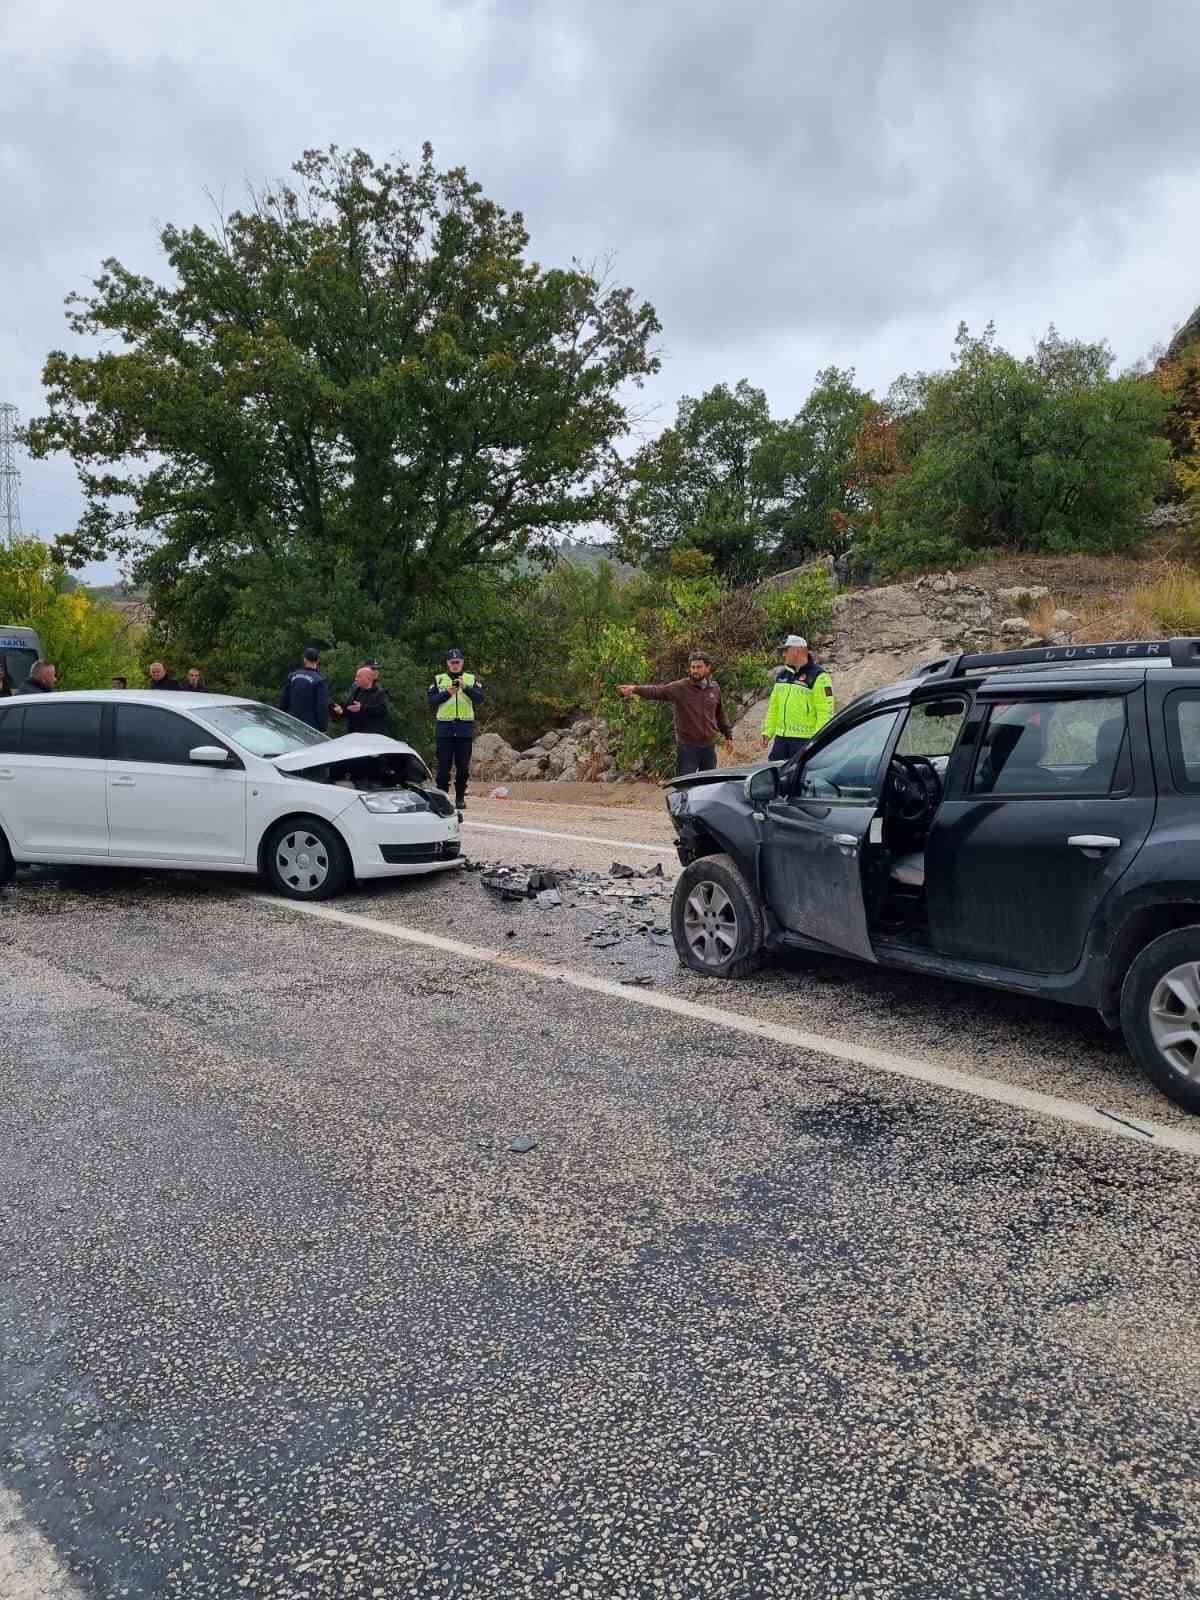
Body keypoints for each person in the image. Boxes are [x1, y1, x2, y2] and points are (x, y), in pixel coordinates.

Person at [618, 651, 735, 776]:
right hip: (688, 748)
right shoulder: (681, 687)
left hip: (709, 748)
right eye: (693, 667)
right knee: (684, 784)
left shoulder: (714, 688)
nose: (695, 670)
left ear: (708, 667)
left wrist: (728, 736)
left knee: (708, 784)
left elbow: (720, 714)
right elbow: (658, 691)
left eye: (699, 667)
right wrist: (635, 689)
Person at [760, 634, 835, 761]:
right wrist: (767, 732)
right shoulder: (782, 676)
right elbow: (774, 707)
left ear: (797, 651)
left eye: (786, 650)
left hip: (805, 741)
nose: (783, 654)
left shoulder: (819, 677)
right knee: (774, 771)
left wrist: (816, 741)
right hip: (781, 740)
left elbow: (825, 712)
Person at [428, 647, 484, 810]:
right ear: (447, 663)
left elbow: (480, 698)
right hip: (445, 728)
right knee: (443, 767)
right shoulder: (439, 679)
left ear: (462, 662)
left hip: (464, 728)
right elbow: (432, 701)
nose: (455, 665)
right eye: (452, 662)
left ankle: (460, 798)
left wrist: (465, 687)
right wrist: (448, 692)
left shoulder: (471, 679)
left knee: (463, 767)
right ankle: (443, 800)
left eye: (457, 662)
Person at [279, 646, 330, 731]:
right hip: (309, 728)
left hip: (291, 723)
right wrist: (322, 727)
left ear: (304, 659)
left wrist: (280, 718)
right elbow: (322, 707)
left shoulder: (292, 676)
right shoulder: (320, 680)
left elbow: (283, 701)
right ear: (318, 660)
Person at [332, 666, 391, 736]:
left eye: (359, 677)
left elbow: (382, 710)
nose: (356, 679)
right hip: (355, 734)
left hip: (372, 735)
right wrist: (341, 711)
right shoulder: (356, 691)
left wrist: (362, 708)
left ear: (368, 678)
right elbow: (350, 708)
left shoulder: (380, 693)